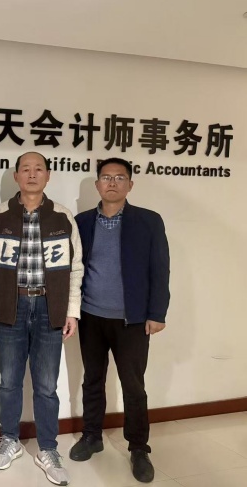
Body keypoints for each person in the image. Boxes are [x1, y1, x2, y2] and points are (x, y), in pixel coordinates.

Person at [0, 151, 83, 486]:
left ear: (48, 175)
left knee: (46, 385)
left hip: (49, 309)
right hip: (10, 307)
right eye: (25, 169)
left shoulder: (62, 216)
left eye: (39, 168)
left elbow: (76, 268)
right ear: (16, 176)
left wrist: (71, 311)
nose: (32, 174)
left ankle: (48, 448)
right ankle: (9, 440)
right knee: (9, 381)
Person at [70, 157, 170, 483]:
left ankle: (139, 448)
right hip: (91, 316)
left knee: (133, 385)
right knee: (92, 379)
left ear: (130, 184)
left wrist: (157, 313)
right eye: (106, 177)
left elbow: (160, 269)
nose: (112, 183)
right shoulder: (82, 222)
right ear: (97, 184)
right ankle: (91, 436)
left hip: (133, 320)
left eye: (119, 177)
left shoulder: (148, 221)